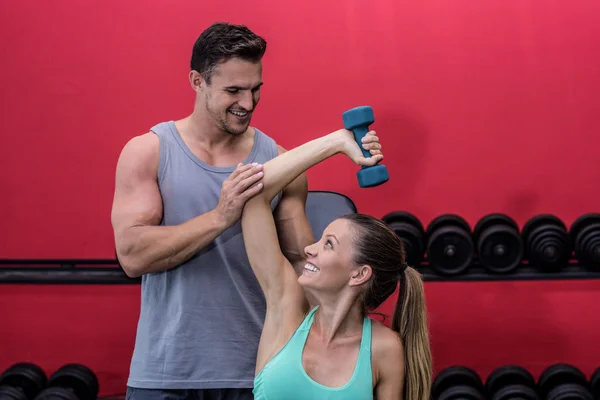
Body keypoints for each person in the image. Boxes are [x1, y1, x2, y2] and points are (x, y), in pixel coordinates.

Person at [111, 22, 318, 399]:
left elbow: (304, 267)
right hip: (167, 373)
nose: (248, 103)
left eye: (256, 90)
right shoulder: (149, 152)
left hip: (259, 371)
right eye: (233, 90)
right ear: (197, 81)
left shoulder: (281, 163)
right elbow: (132, 255)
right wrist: (222, 216)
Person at [238, 128, 433, 399]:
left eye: (328, 244)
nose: (309, 249)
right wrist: (337, 142)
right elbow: (252, 194)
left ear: (359, 274)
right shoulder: (286, 309)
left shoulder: (383, 349)